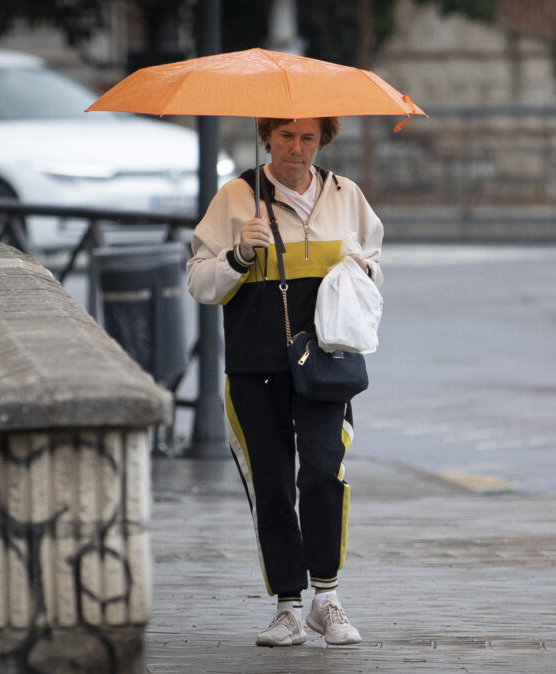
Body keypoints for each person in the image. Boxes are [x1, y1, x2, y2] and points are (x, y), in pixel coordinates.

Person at [185, 117, 383, 647]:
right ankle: (288, 606)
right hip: (255, 368)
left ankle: (328, 598)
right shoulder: (235, 198)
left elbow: (377, 264)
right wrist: (238, 255)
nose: (297, 149)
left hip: (325, 365)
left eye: (309, 138)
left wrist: (363, 270)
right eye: (287, 136)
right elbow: (198, 281)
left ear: (323, 141)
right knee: (270, 487)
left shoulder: (346, 195)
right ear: (268, 136)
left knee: (322, 474)